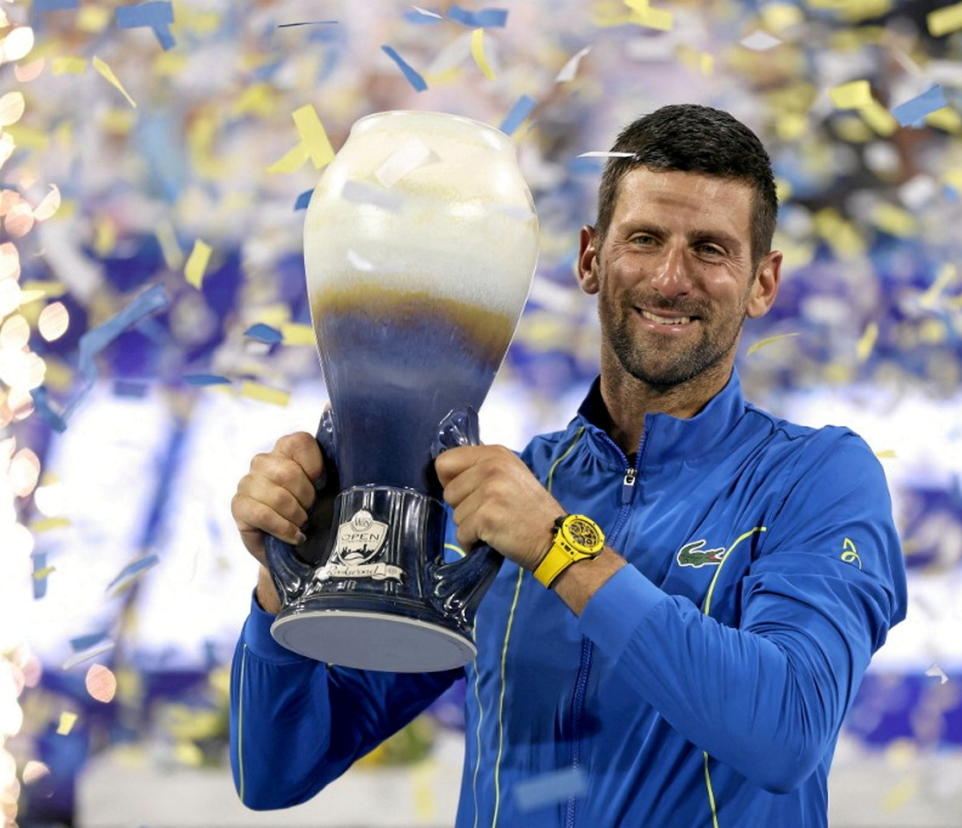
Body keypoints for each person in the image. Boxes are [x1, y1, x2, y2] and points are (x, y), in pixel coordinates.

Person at [228, 103, 907, 826]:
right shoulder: (505, 498)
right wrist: (286, 578)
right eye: (644, 239)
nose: (672, 277)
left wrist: (562, 551)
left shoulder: (817, 477)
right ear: (591, 258)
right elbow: (275, 771)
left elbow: (788, 732)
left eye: (710, 249)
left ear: (762, 283)